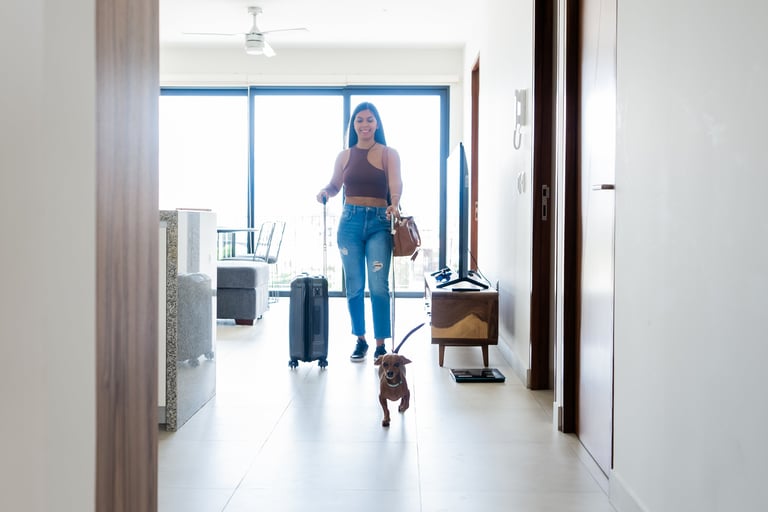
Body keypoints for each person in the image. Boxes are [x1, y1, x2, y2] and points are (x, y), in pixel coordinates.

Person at [316, 102, 403, 362]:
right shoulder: (344, 156)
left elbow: (396, 184)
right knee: (354, 286)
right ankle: (361, 340)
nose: (364, 124)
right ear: (353, 126)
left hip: (379, 222)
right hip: (350, 223)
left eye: (369, 119)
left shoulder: (389, 153)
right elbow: (334, 185)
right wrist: (325, 192)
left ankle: (380, 345)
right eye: (359, 120)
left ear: (377, 124)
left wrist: (394, 204)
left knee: (378, 286)